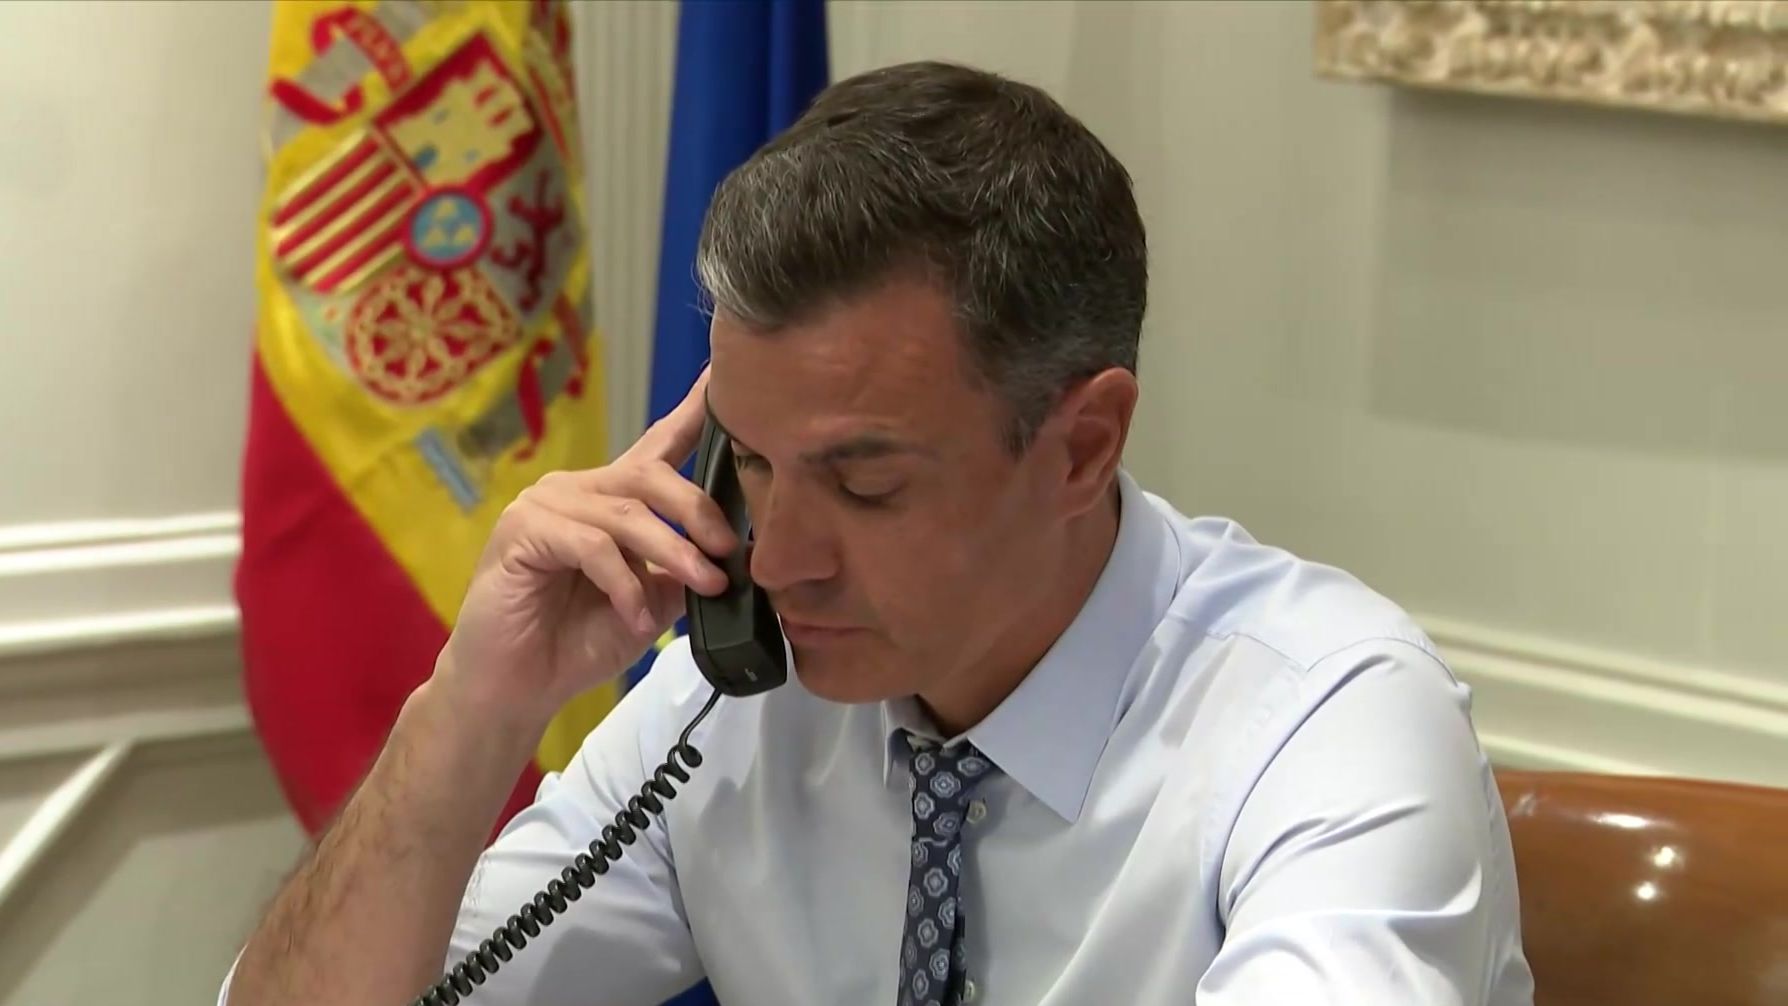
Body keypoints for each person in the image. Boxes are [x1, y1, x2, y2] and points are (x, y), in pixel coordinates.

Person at [220, 60, 1534, 1006]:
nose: (779, 557)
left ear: (1082, 446)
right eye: (753, 462)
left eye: (865, 483)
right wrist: (471, 709)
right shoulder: (734, 695)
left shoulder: (1332, 723)